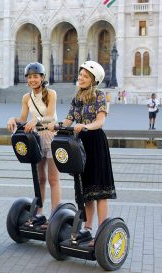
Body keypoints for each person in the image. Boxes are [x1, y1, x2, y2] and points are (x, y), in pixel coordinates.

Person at [48, 60, 116, 245]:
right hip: (80, 144)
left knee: (100, 189)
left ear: (94, 80)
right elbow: (69, 119)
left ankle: (101, 232)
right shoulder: (77, 97)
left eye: (85, 76)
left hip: (95, 142)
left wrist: (86, 126)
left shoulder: (100, 96)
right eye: (80, 75)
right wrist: (57, 126)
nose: (81, 78)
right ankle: (87, 229)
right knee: (86, 190)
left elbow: (100, 121)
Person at [7, 62, 60, 228]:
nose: (32, 80)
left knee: (53, 179)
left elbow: (51, 116)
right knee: (40, 179)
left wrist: (36, 120)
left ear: (42, 78)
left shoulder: (51, 93)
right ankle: (39, 213)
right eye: (29, 77)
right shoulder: (26, 97)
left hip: (51, 136)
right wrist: (13, 119)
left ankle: (55, 216)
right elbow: (23, 118)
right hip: (36, 138)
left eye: (35, 76)